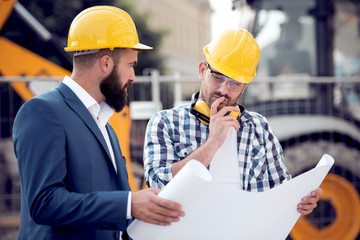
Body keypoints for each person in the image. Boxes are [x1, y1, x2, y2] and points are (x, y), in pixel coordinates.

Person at [12, 6, 184, 240]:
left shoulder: (106, 127)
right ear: (106, 63)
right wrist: (129, 204)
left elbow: (110, 210)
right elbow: (45, 203)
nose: (133, 76)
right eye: (130, 65)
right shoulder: (42, 111)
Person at [143, 29, 322, 215]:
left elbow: (280, 189)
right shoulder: (165, 123)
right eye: (218, 77)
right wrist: (212, 143)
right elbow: (158, 183)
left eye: (235, 83)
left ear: (244, 87)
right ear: (202, 70)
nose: (223, 89)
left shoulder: (259, 128)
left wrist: (301, 201)